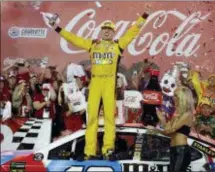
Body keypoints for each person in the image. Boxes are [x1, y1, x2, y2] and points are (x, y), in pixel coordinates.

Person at [42, 4, 152, 160]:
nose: (106, 30)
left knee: (109, 119)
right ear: (101, 31)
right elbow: (74, 39)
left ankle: (108, 150)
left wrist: (145, 15)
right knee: (91, 118)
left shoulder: (118, 45)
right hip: (95, 84)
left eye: (109, 29)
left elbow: (133, 31)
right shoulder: (93, 44)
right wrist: (57, 28)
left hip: (109, 84)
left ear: (113, 32)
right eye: (104, 28)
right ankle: (89, 152)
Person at [146, 86, 195, 172]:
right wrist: (161, 121)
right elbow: (167, 133)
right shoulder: (177, 114)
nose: (173, 97)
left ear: (182, 98)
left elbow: (169, 130)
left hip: (181, 151)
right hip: (174, 150)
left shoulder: (187, 115)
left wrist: (159, 126)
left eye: (176, 95)